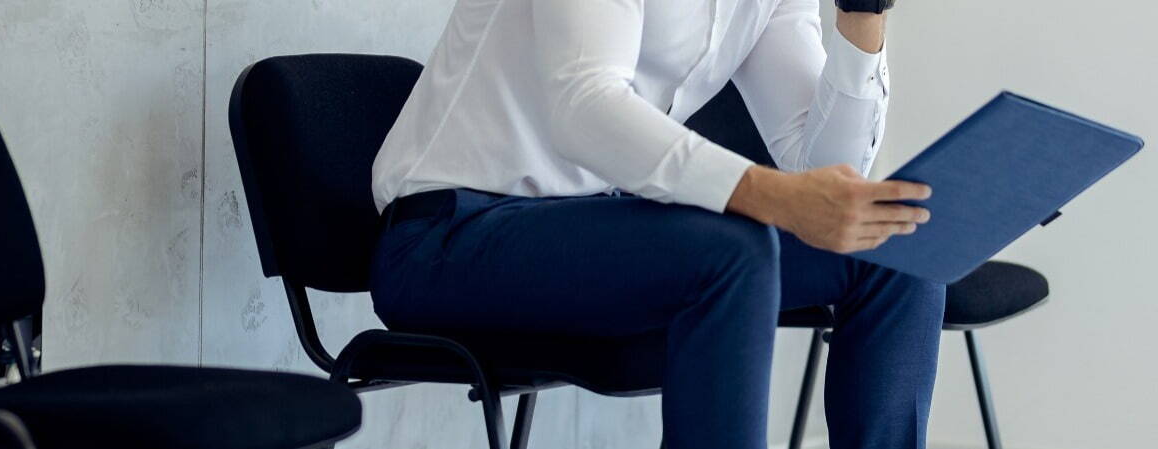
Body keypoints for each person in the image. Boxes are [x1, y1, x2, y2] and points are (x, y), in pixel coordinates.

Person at [366, 0, 939, 448]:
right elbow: (583, 105)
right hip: (447, 235)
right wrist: (773, 197)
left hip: (593, 232)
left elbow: (824, 172)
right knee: (732, 250)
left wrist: (862, 13)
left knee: (893, 246)